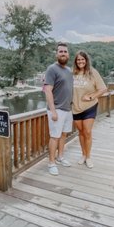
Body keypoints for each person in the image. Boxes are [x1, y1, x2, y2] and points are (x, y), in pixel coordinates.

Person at [72, 50, 107, 168]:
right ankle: (83, 154)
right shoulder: (73, 73)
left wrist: (91, 96)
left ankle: (88, 157)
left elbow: (102, 89)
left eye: (82, 59)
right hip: (76, 108)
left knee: (87, 132)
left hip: (89, 107)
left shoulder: (92, 72)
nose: (80, 61)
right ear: (76, 61)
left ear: (86, 60)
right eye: (78, 59)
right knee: (81, 132)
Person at [44, 42, 73, 176]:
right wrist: (53, 110)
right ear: (56, 54)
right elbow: (47, 90)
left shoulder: (69, 71)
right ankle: (51, 163)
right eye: (60, 51)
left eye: (65, 52)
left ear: (68, 54)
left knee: (63, 135)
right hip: (57, 110)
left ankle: (60, 157)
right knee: (54, 136)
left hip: (68, 109)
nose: (63, 54)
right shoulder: (52, 69)